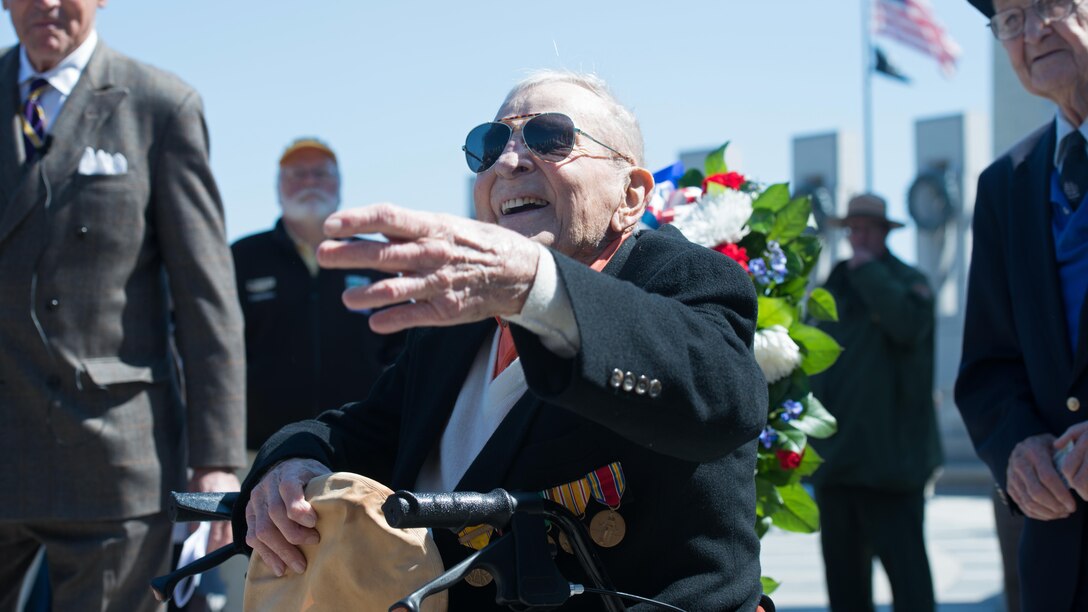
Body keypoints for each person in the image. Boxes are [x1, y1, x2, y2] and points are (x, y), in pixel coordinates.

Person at [235, 70, 769, 611]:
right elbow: (361, 432)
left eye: (549, 137)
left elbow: (725, 397)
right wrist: (290, 464)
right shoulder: (459, 321)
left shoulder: (685, 277)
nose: (508, 161)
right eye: (488, 145)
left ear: (631, 195)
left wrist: (535, 285)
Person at [0, 1, 246, 611]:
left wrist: (215, 461)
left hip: (113, 458)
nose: (46, 3)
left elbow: (205, 298)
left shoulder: (158, 105)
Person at [958, 1, 1088, 609]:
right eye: (1009, 19)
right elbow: (989, 368)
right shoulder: (1005, 184)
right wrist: (1018, 447)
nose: (1032, 32)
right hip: (1059, 557)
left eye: (1051, 5)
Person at [809, 194, 941, 612]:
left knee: (910, 587)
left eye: (866, 228)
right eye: (852, 229)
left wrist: (869, 273)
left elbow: (906, 326)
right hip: (839, 468)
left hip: (892, 470)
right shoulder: (836, 284)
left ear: (885, 232)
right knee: (845, 591)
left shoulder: (907, 281)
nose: (857, 237)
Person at [231, 138, 404, 451]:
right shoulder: (241, 258)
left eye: (321, 174)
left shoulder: (375, 257)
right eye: (297, 174)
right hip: (257, 447)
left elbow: (404, 350)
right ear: (277, 187)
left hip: (358, 446)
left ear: (339, 184)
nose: (310, 182)